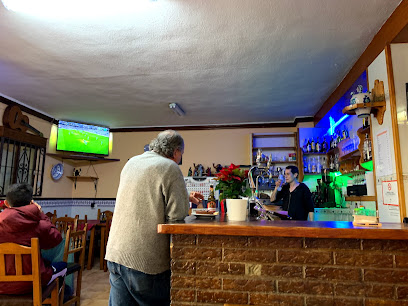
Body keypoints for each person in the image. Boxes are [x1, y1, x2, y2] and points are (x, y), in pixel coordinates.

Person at [105, 130, 204, 306]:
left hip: (115, 253)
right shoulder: (170, 167)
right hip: (145, 260)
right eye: (181, 154)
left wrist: (184, 195)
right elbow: (177, 217)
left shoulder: (132, 162)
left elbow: (146, 194)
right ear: (176, 152)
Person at [0, 183, 63, 294]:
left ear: (6, 203)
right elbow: (56, 239)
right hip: (32, 284)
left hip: (2, 285)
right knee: (62, 266)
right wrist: (41, 214)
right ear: (31, 203)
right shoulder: (38, 225)